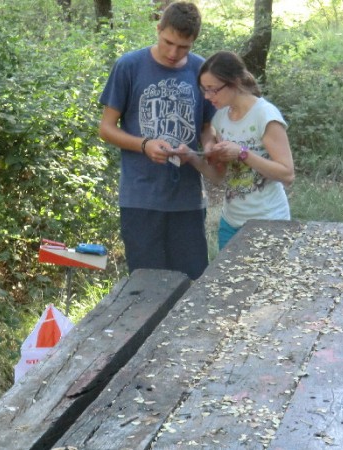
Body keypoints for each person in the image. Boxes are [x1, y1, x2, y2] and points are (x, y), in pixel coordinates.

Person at [98, 1, 217, 280]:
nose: (174, 53)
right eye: (168, 42)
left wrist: (209, 147)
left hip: (187, 200)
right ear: (158, 29)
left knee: (191, 287)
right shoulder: (129, 66)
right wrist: (144, 144)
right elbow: (106, 128)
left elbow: (207, 126)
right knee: (146, 288)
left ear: (194, 42)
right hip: (141, 198)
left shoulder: (202, 71)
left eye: (183, 47)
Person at [184, 50, 294, 250]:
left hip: (268, 222)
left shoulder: (265, 115)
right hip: (230, 223)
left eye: (213, 89)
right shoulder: (221, 118)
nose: (207, 97)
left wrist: (243, 153)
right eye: (204, 90)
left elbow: (287, 174)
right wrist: (192, 157)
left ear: (234, 82)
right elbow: (220, 178)